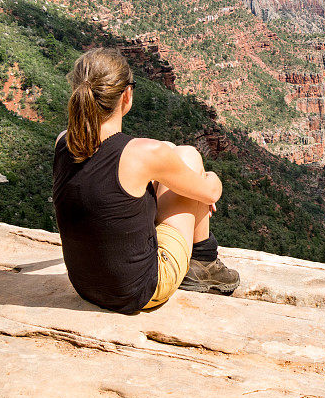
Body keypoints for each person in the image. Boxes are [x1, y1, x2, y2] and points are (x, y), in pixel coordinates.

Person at [52, 47, 239, 314]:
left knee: (173, 153)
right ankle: (204, 262)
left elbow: (106, 181)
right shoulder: (144, 155)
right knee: (189, 155)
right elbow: (210, 194)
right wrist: (207, 178)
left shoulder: (64, 141)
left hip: (86, 287)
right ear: (126, 95)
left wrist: (168, 166)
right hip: (140, 291)